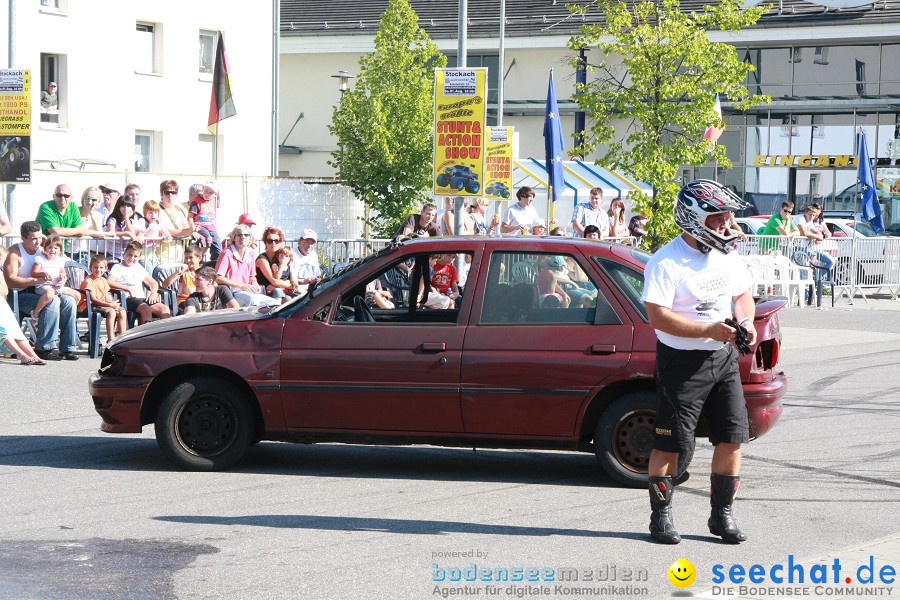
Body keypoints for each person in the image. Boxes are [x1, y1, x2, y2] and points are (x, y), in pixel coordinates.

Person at [641, 179, 756, 545]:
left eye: (727, 216)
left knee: (733, 438)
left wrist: (747, 321)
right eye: (717, 217)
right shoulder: (666, 261)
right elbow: (658, 318)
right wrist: (707, 328)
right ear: (693, 218)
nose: (726, 223)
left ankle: (722, 515)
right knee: (670, 443)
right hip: (681, 362)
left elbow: (742, 296)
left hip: (723, 358)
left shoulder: (728, 254)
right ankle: (661, 517)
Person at [3, 221, 80, 360]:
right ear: (23, 238)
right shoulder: (15, 252)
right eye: (34, 238)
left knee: (68, 301)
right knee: (52, 301)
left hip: (41, 291)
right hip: (20, 295)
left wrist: (63, 277)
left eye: (40, 237)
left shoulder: (42, 249)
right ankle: (45, 347)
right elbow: (10, 280)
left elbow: (57, 267)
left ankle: (67, 348)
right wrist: (35, 280)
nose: (38, 241)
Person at [0, 246, 47, 365]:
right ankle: (22, 355)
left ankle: (33, 355)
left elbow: (5, 290)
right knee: (3, 331)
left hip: (2, 304)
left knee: (15, 330)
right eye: (3, 258)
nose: (4, 260)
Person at [214, 224, 279, 307]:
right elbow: (218, 278)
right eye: (239, 235)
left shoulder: (251, 253)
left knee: (275, 304)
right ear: (234, 237)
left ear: (250, 238)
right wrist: (241, 285)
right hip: (231, 292)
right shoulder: (226, 253)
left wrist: (255, 283)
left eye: (246, 235)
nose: (243, 237)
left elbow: (252, 276)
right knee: (251, 301)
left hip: (247, 291)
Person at [107, 242, 172, 325]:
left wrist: (153, 293)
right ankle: (145, 335)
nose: (132, 258)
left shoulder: (138, 267)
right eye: (129, 255)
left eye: (135, 256)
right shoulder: (118, 267)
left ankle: (163, 333)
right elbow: (109, 281)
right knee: (145, 309)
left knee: (164, 309)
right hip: (127, 299)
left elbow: (153, 283)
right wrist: (128, 289)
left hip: (141, 298)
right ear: (124, 253)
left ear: (139, 257)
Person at [30, 233, 80, 322]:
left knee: (77, 295)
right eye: (50, 247)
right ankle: (35, 314)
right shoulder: (40, 259)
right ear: (45, 249)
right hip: (43, 286)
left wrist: (62, 277)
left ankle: (67, 316)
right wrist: (43, 273)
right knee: (50, 293)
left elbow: (63, 272)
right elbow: (33, 273)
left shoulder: (59, 260)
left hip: (56, 286)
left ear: (60, 251)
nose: (52, 250)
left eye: (56, 248)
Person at [79, 254, 127, 343]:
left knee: (122, 311)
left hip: (102, 304)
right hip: (89, 305)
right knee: (111, 312)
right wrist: (110, 305)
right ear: (91, 268)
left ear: (106, 269)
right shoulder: (88, 281)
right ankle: (110, 339)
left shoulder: (103, 281)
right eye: (96, 267)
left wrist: (113, 304)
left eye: (101, 268)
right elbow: (93, 300)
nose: (98, 270)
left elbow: (106, 297)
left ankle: (122, 338)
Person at [157, 179, 203, 263]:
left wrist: (193, 231)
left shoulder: (178, 209)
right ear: (161, 194)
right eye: (167, 192)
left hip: (180, 256)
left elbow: (186, 227)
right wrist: (189, 231)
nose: (170, 195)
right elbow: (167, 231)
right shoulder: (157, 209)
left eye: (173, 193)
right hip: (163, 256)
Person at [161, 245, 204, 312]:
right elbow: (164, 284)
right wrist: (178, 273)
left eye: (191, 257)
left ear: (199, 258)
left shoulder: (204, 272)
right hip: (184, 301)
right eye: (186, 258)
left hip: (200, 300)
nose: (188, 260)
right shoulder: (184, 272)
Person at [256, 227, 294, 301]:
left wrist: (292, 283)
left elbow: (290, 276)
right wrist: (293, 286)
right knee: (287, 299)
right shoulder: (262, 259)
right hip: (265, 292)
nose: (273, 243)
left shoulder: (282, 257)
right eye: (270, 241)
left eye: (276, 241)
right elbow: (274, 281)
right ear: (265, 242)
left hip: (280, 289)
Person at [188, 180, 222, 262]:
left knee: (218, 248)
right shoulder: (196, 201)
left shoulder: (214, 199)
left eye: (210, 193)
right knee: (207, 239)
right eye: (206, 191)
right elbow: (190, 217)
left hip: (211, 227)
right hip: (200, 226)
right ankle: (199, 260)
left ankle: (214, 265)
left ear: (215, 194)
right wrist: (192, 228)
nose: (207, 194)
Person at [105, 194, 145, 259]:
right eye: (123, 206)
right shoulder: (112, 219)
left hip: (127, 255)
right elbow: (111, 232)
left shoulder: (132, 220)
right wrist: (126, 233)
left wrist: (126, 217)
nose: (126, 209)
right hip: (113, 254)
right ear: (118, 207)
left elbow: (133, 232)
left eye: (128, 206)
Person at [141, 200, 172, 273]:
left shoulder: (158, 222)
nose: (153, 215)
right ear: (145, 213)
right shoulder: (142, 221)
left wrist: (168, 237)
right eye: (150, 213)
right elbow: (142, 235)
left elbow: (166, 233)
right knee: (150, 275)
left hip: (152, 253)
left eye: (155, 212)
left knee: (157, 274)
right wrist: (151, 230)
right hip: (142, 254)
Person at [293, 229, 322, 296]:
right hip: (296, 291)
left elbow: (317, 276)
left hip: (312, 290)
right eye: (307, 242)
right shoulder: (292, 254)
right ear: (299, 241)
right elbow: (287, 280)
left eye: (312, 243)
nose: (309, 245)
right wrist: (305, 282)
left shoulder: (314, 254)